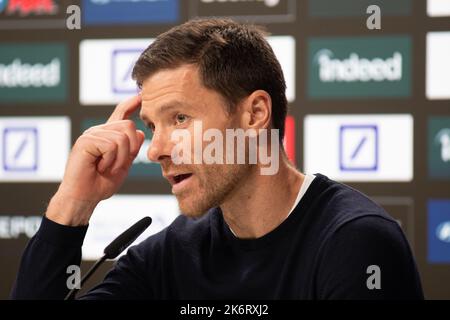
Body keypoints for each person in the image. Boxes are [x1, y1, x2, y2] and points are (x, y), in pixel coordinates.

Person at [11, 18, 423, 300]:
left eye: (180, 118)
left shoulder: (354, 242)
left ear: (255, 114)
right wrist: (73, 203)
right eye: (154, 126)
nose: (156, 149)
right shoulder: (174, 251)